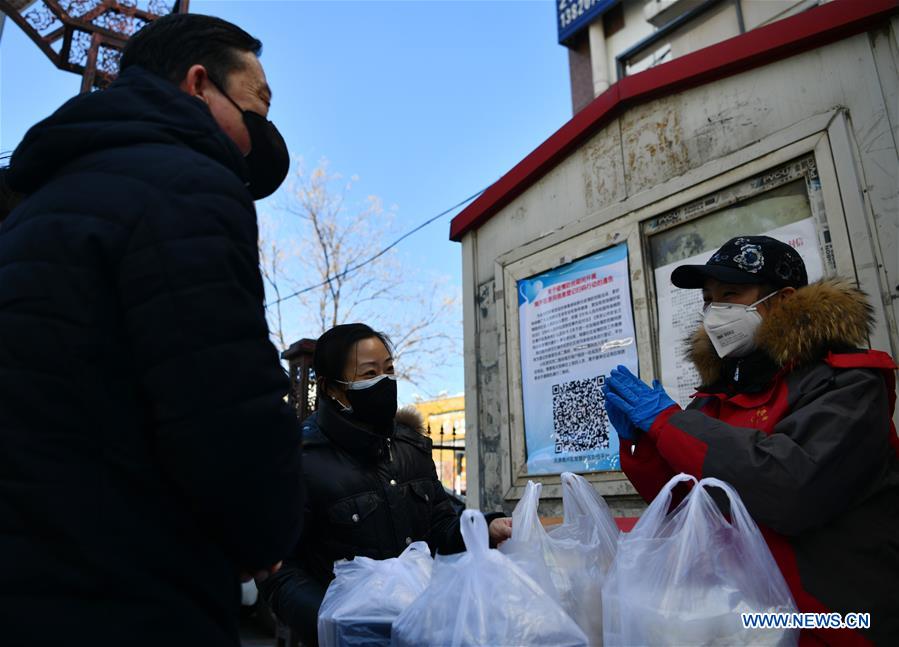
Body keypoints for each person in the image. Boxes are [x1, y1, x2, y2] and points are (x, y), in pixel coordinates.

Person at [0, 14, 303, 647]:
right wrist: (263, 533)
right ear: (199, 85)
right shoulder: (189, 182)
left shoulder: (39, 203)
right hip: (130, 590)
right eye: (258, 103)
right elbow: (221, 397)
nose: (264, 131)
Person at [603, 235, 899, 646]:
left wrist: (670, 426)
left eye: (731, 294)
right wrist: (645, 446)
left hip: (834, 621)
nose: (714, 311)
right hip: (750, 621)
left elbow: (790, 489)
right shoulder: (718, 395)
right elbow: (690, 504)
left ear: (782, 300)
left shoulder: (848, 383)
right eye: (708, 299)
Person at [260, 323, 513, 646]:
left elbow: (440, 525)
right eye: (369, 374)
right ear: (332, 388)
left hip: (427, 631)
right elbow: (280, 573)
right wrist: (337, 623)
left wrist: (484, 530)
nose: (384, 381)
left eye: (389, 370)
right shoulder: (300, 461)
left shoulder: (412, 447)